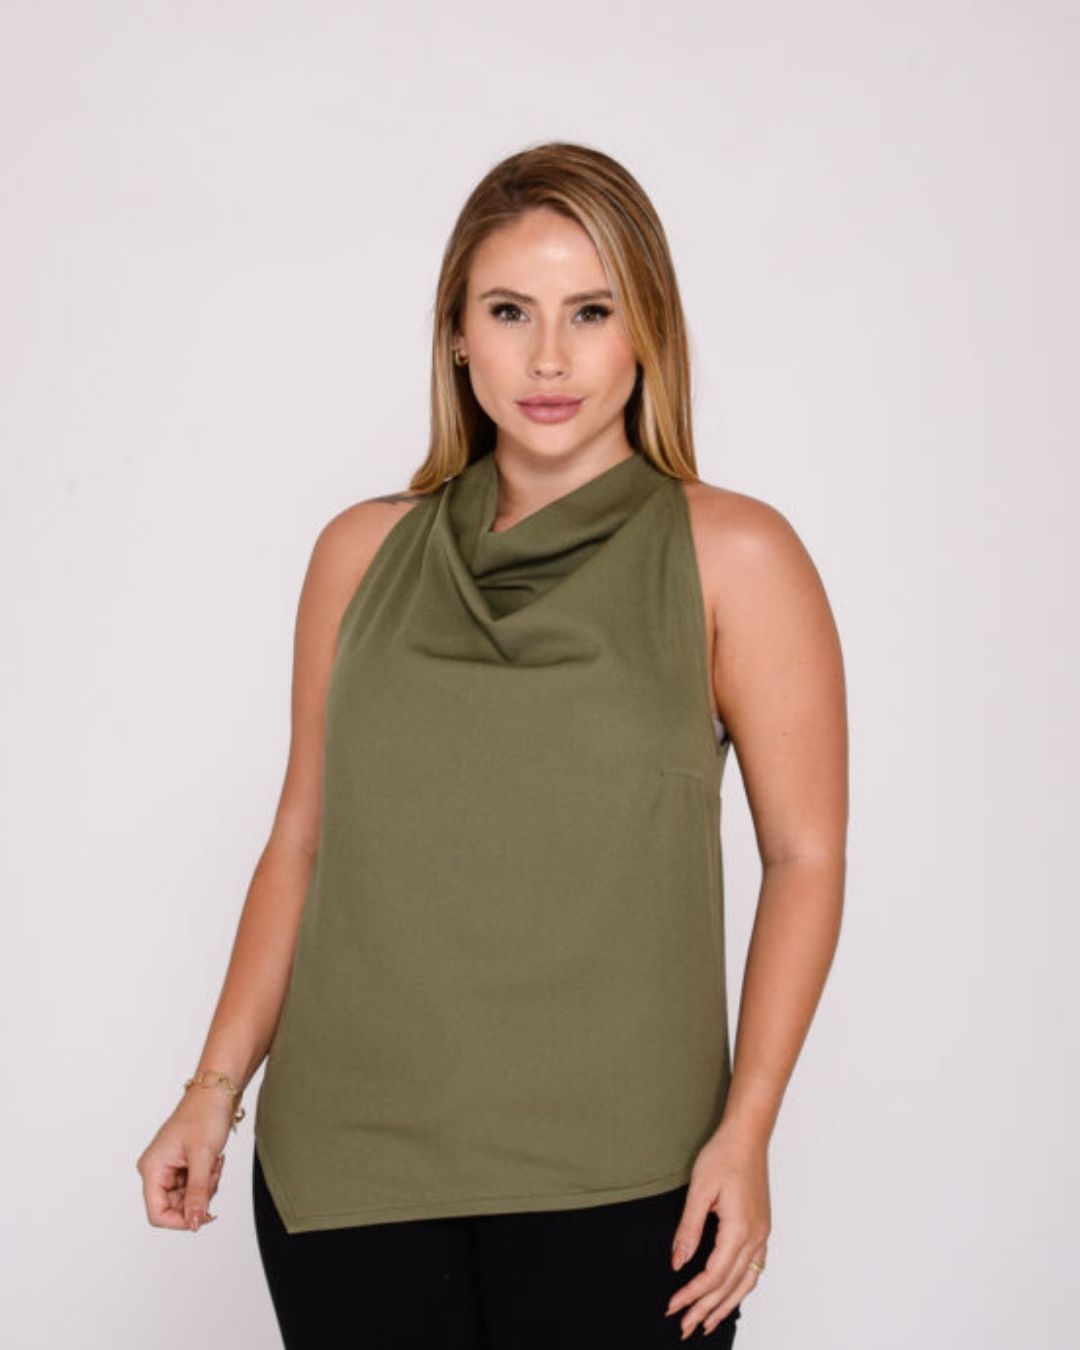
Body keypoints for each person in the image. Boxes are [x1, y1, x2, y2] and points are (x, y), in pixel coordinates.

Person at [136, 141, 848, 1348]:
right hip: (352, 1167)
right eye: (511, 312)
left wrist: (749, 1128)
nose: (550, 358)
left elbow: (805, 856)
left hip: (628, 1171)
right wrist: (212, 1092)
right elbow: (302, 840)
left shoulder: (734, 555)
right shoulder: (361, 554)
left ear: (648, 331)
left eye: (592, 312)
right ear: (459, 337)